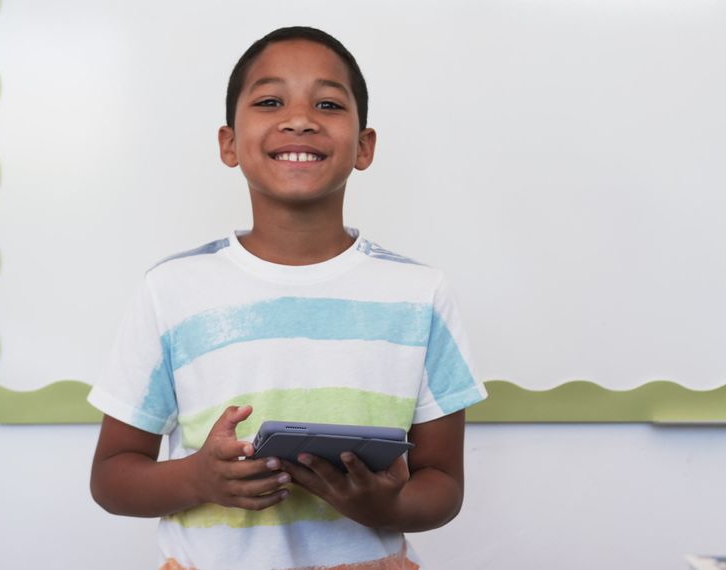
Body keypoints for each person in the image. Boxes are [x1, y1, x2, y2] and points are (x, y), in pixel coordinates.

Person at [88, 26, 487, 570]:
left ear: (364, 146)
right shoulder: (172, 289)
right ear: (229, 143)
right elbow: (112, 478)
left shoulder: (421, 293)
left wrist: (386, 501)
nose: (299, 119)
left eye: (327, 103)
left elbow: (444, 487)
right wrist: (198, 477)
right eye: (271, 101)